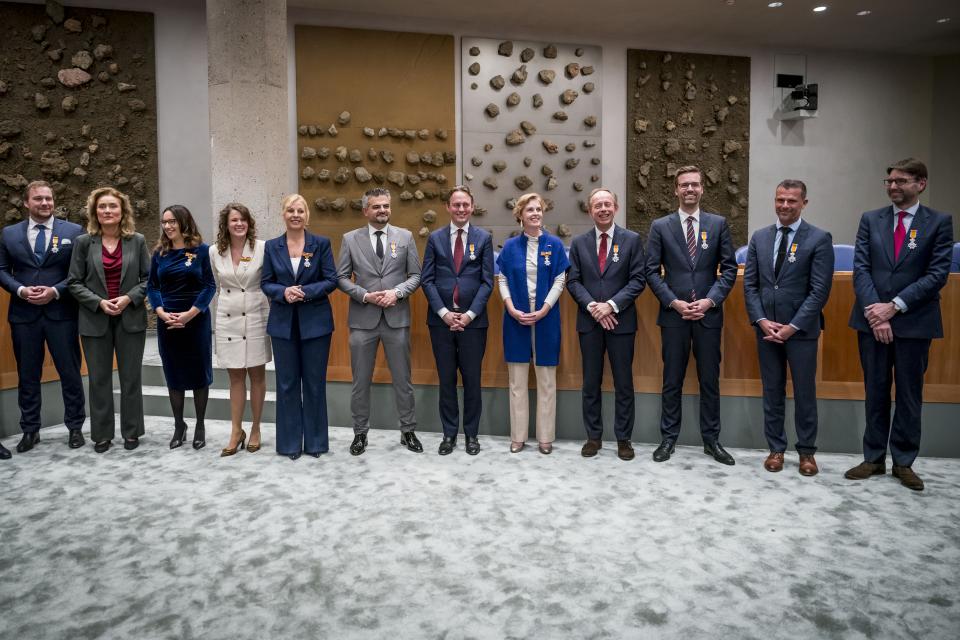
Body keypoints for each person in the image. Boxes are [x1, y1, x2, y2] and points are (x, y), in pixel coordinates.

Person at [845, 158, 954, 491]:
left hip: (913, 322)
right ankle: (873, 458)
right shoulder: (871, 220)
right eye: (889, 181)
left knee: (909, 394)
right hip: (871, 322)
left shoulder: (938, 222)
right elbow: (861, 268)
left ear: (920, 183)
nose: (893, 186)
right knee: (875, 391)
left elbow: (937, 274)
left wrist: (893, 307)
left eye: (901, 181)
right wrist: (875, 312)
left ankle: (903, 462)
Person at [645, 165, 738, 465]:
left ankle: (712, 441)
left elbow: (729, 269)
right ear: (675, 189)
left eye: (695, 185)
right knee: (672, 380)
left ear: (702, 189)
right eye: (684, 185)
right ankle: (668, 439)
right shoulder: (660, 226)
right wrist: (673, 302)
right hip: (674, 317)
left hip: (708, 317)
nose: (690, 189)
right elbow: (651, 271)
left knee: (709, 380)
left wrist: (710, 301)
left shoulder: (718, 223)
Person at [743, 180, 834, 476]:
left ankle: (807, 452)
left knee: (805, 392)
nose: (784, 205)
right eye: (780, 200)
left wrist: (793, 326)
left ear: (804, 203)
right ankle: (776, 448)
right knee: (772, 391)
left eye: (791, 201)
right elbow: (751, 285)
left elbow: (819, 291)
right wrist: (761, 320)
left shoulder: (819, 238)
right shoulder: (760, 237)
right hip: (767, 330)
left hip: (801, 332)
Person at [0, 180, 85, 457]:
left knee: (69, 372)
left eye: (48, 198)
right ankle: (30, 430)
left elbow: (78, 273)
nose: (45, 203)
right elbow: (2, 271)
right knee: (28, 375)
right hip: (24, 316)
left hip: (61, 313)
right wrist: (21, 290)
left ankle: (75, 427)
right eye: (38, 199)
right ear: (26, 203)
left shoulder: (73, 231)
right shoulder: (9, 234)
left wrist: (55, 291)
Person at [337, 187, 422, 456]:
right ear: (366, 211)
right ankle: (360, 433)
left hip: (397, 319)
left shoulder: (405, 237)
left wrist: (396, 293)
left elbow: (416, 275)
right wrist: (364, 296)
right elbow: (340, 277)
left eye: (385, 206)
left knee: (403, 380)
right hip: (363, 321)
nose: (382, 210)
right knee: (360, 381)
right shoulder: (350, 239)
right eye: (376, 207)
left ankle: (408, 430)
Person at [68, 187, 150, 453]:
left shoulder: (136, 241)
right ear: (95, 212)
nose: (107, 211)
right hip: (95, 319)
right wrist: (99, 302)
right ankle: (102, 434)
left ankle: (132, 431)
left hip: (130, 318)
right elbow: (74, 282)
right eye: (102, 207)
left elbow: (149, 279)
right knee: (99, 379)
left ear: (122, 210)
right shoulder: (83, 242)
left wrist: (128, 298)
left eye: (112, 206)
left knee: (130, 379)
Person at [567, 188, 646, 461]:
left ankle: (624, 439)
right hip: (589, 323)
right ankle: (593, 437)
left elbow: (638, 279)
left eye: (607, 204)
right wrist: (593, 307)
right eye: (597, 204)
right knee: (591, 382)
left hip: (620, 322)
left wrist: (610, 306)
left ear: (616, 207)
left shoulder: (632, 240)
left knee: (624, 383)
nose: (603, 208)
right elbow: (573, 281)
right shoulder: (578, 243)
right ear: (590, 211)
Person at [261, 194, 337, 460]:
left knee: (314, 384)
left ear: (307, 215)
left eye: (300, 210)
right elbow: (266, 283)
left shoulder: (321, 244)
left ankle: (315, 443)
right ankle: (290, 444)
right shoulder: (272, 247)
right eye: (291, 210)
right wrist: (283, 292)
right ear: (283, 214)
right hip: (283, 326)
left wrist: (304, 292)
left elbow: (331, 280)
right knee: (287, 384)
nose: (296, 214)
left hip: (316, 325)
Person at [421, 185, 494, 455]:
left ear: (472, 207)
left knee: (472, 380)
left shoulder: (483, 238)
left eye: (465, 204)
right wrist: (444, 312)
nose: (461, 209)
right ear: (448, 208)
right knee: (446, 379)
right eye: (456, 205)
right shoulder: (435, 238)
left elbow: (488, 283)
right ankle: (449, 434)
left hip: (473, 323)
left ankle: (471, 435)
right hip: (440, 322)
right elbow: (426, 279)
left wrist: (468, 314)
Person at [496, 192, 569, 454]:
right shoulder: (510, 246)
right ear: (520, 215)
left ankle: (546, 438)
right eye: (530, 210)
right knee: (517, 380)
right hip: (516, 317)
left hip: (546, 317)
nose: (535, 214)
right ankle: (518, 436)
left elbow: (560, 279)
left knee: (546, 380)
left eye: (538, 209)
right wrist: (511, 308)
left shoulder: (555, 245)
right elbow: (502, 279)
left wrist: (545, 308)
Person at [147, 205, 216, 450]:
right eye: (164, 222)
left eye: (172, 221)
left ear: (184, 222)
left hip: (195, 320)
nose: (167, 226)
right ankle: (179, 425)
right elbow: (152, 286)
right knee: (174, 376)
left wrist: (190, 314)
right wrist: (161, 312)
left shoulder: (201, 251)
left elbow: (209, 286)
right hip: (168, 322)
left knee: (198, 375)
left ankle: (199, 425)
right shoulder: (159, 253)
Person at [209, 203, 272, 456]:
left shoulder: (262, 248)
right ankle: (236, 430)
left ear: (249, 223)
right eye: (234, 220)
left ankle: (255, 428)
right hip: (227, 317)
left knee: (257, 375)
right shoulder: (215, 251)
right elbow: (216, 283)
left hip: (256, 316)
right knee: (235, 377)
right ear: (226, 224)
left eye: (243, 220)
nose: (239, 224)